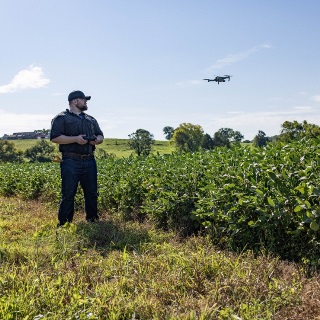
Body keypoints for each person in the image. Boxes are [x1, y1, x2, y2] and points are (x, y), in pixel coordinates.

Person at [50, 90, 104, 226]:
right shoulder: (61, 118)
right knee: (68, 194)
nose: (86, 102)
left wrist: (96, 140)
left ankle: (92, 221)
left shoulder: (91, 119)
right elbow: (55, 138)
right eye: (83, 99)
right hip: (70, 161)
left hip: (90, 160)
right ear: (75, 101)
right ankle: (64, 224)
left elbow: (100, 135)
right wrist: (75, 139)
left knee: (92, 193)